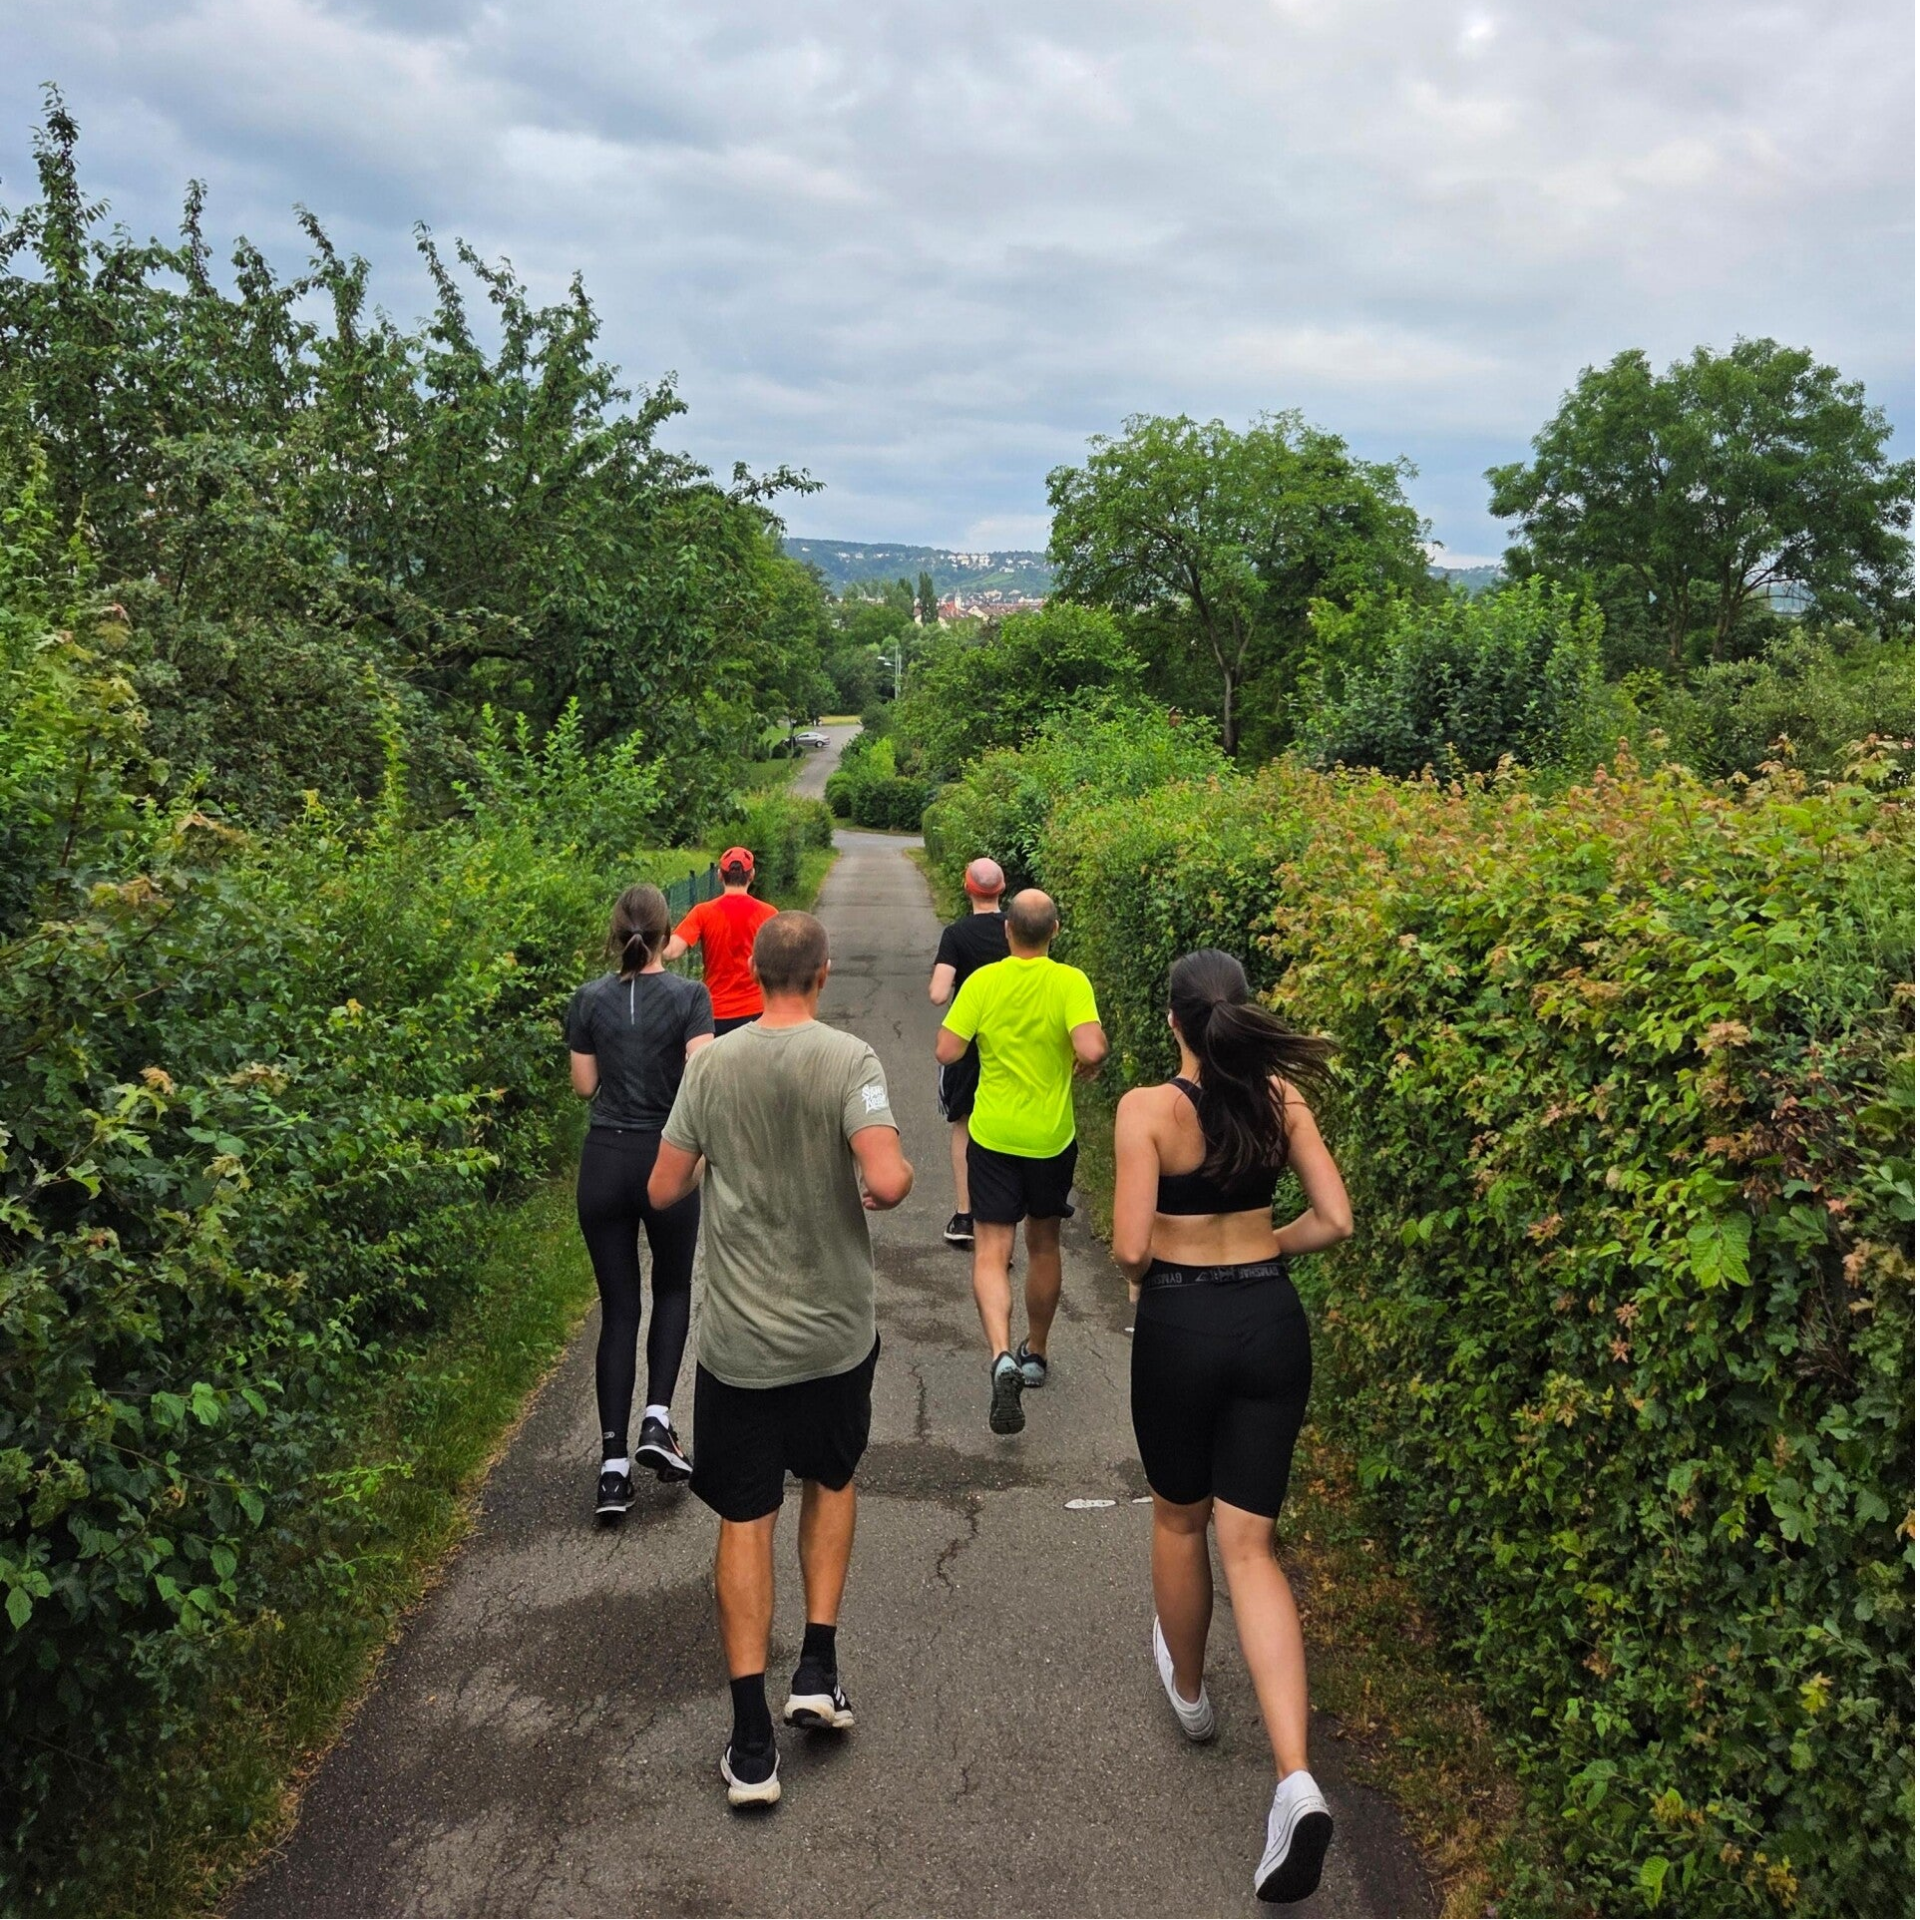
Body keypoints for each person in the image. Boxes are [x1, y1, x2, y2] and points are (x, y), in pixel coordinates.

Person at [649, 912, 913, 1810]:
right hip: (835, 1333)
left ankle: (751, 1745)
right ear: (825, 974)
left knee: (744, 1516)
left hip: (740, 1344)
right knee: (831, 1481)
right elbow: (887, 1179)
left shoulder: (711, 1066)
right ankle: (817, 1667)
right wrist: (877, 1178)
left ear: (755, 972)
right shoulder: (851, 1062)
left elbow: (663, 1186)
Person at [1109, 950, 1351, 1906]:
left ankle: (1195, 1697)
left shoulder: (1146, 1111)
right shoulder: (1282, 1099)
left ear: (1174, 1023)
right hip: (1270, 1322)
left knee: (1179, 1518)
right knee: (1253, 1548)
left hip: (1181, 1323)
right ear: (1239, 1017)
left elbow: (1130, 1250)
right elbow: (1333, 1218)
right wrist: (1262, 1243)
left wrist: (1171, 1263)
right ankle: (1295, 1779)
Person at [564, 884, 714, 1519]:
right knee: (673, 1288)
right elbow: (703, 1078)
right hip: (667, 1157)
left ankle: (612, 1467)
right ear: (665, 934)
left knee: (619, 1307)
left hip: (603, 1161)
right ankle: (658, 1419)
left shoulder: (588, 998)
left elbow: (583, 1085)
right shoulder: (689, 997)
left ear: (615, 934)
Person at [934, 888, 1106, 1435]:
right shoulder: (1070, 982)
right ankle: (1037, 1353)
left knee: (991, 1250)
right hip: (1050, 1137)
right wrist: (1084, 1061)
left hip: (992, 1132)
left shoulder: (984, 982)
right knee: (1045, 1244)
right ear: (1055, 931)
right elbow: (1094, 1048)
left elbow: (946, 1050)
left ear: (1008, 931)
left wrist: (980, 1035)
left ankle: (1001, 1353)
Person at [927, 856, 1010, 1249]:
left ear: (967, 888)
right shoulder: (1017, 929)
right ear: (1003, 889)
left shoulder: (957, 933)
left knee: (963, 1123)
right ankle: (1003, 1214)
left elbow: (939, 993)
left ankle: (965, 1215)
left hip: (967, 1044)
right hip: (1012, 1042)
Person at [665, 846, 779, 1034]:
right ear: (752, 875)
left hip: (716, 1013)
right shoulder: (769, 914)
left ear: (719, 875)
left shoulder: (702, 912)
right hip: (758, 1011)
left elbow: (671, 951)